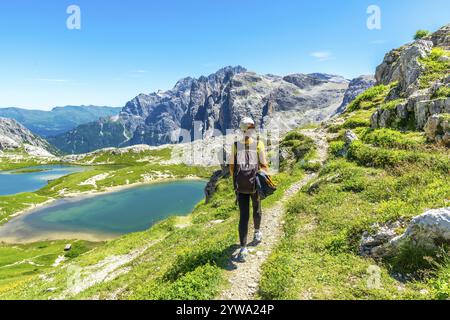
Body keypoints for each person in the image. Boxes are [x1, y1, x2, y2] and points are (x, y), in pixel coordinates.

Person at [229, 117, 269, 262]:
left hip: (241, 187)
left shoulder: (235, 145)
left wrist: (239, 181)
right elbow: (264, 165)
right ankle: (257, 232)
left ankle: (243, 248)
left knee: (243, 217)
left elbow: (232, 168)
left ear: (242, 130)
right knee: (257, 208)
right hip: (255, 185)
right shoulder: (259, 144)